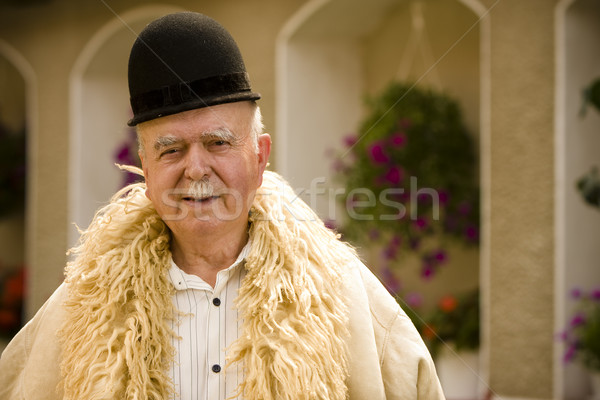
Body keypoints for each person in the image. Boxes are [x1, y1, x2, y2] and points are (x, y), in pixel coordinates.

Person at [0, 12, 445, 400]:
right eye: (170, 150)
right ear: (146, 171)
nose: (196, 169)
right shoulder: (85, 301)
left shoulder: (339, 291)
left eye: (217, 142)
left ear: (259, 156)